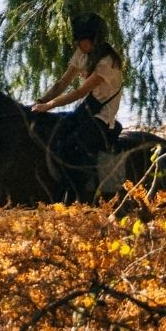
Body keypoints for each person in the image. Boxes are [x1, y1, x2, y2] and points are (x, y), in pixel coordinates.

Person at [29, 11, 126, 195]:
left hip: (102, 116)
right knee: (58, 133)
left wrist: (49, 106)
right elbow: (62, 83)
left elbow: (80, 91)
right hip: (87, 109)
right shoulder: (81, 54)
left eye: (81, 39)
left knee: (76, 147)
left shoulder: (108, 62)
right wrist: (41, 101)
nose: (77, 43)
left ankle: (82, 192)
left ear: (95, 39)